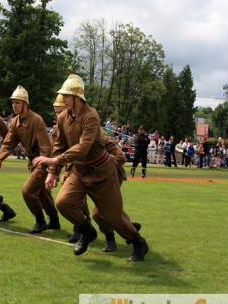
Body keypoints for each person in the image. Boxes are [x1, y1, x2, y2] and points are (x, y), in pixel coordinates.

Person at [33, 74, 149, 262]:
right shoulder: (63, 117)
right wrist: (52, 172)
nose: (62, 99)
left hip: (102, 173)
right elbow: (59, 146)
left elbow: (83, 147)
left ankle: (138, 242)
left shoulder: (91, 116)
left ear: (77, 98)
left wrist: (55, 161)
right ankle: (87, 231)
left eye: (66, 96)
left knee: (112, 218)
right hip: (79, 171)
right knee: (63, 202)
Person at [0, 85, 60, 234]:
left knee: (28, 191)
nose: (14, 105)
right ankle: (54, 221)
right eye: (13, 102)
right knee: (42, 193)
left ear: (25, 104)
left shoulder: (36, 120)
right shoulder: (15, 122)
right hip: (33, 161)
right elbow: (8, 143)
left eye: (17, 102)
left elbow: (46, 146)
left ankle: (40, 221)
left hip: (42, 161)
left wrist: (44, 166)